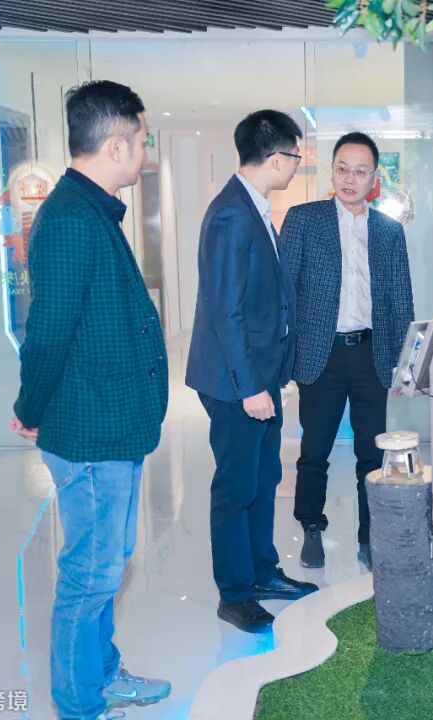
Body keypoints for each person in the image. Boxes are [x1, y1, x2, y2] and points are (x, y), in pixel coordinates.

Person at [10, 80, 171, 720]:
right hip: (90, 428)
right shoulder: (72, 219)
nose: (145, 152)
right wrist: (30, 407)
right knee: (91, 574)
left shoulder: (91, 210)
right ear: (115, 145)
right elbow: (47, 332)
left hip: (111, 424)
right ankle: (78, 704)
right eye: (141, 139)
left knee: (107, 565)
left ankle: (102, 676)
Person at [186, 110, 318, 633]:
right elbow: (226, 310)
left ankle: (262, 572)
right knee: (236, 487)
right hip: (235, 384)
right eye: (296, 156)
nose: (296, 165)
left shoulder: (253, 208)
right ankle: (235, 593)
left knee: (264, 480)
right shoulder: (231, 215)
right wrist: (248, 388)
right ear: (277, 157)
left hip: (259, 378)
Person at [281, 132, 415, 570]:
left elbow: (401, 300)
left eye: (360, 171)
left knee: (371, 454)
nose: (350, 179)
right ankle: (311, 527)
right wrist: (283, 355)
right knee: (314, 451)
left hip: (371, 354)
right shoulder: (304, 220)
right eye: (342, 169)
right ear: (332, 170)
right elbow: (284, 292)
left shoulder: (389, 232)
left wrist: (404, 364)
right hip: (320, 354)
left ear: (374, 178)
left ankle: (368, 536)